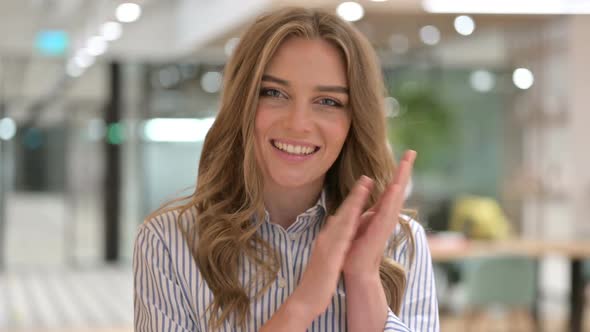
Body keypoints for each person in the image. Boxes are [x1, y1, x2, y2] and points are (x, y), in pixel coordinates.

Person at [133, 7, 439, 332]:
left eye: (328, 102)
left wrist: (363, 277)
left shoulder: (399, 243)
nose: (298, 124)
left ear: (354, 121)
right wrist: (302, 305)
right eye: (274, 93)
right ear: (243, 104)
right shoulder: (167, 241)